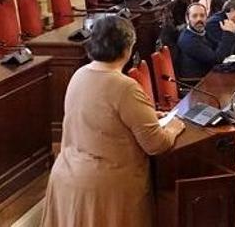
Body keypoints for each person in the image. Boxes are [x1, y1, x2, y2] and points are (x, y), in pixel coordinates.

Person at [41, 15, 185, 227]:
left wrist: (147, 115)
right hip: (106, 190)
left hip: (67, 178)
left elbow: (100, 117)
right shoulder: (124, 86)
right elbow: (156, 144)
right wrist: (173, 127)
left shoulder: (79, 74)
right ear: (127, 48)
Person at [176, 3, 235, 79]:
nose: (199, 19)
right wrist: (228, 34)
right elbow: (216, 59)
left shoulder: (203, 32)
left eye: (202, 15)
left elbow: (220, 50)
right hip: (198, 83)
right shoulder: (188, 40)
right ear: (187, 19)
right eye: (194, 16)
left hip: (213, 75)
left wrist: (229, 34)